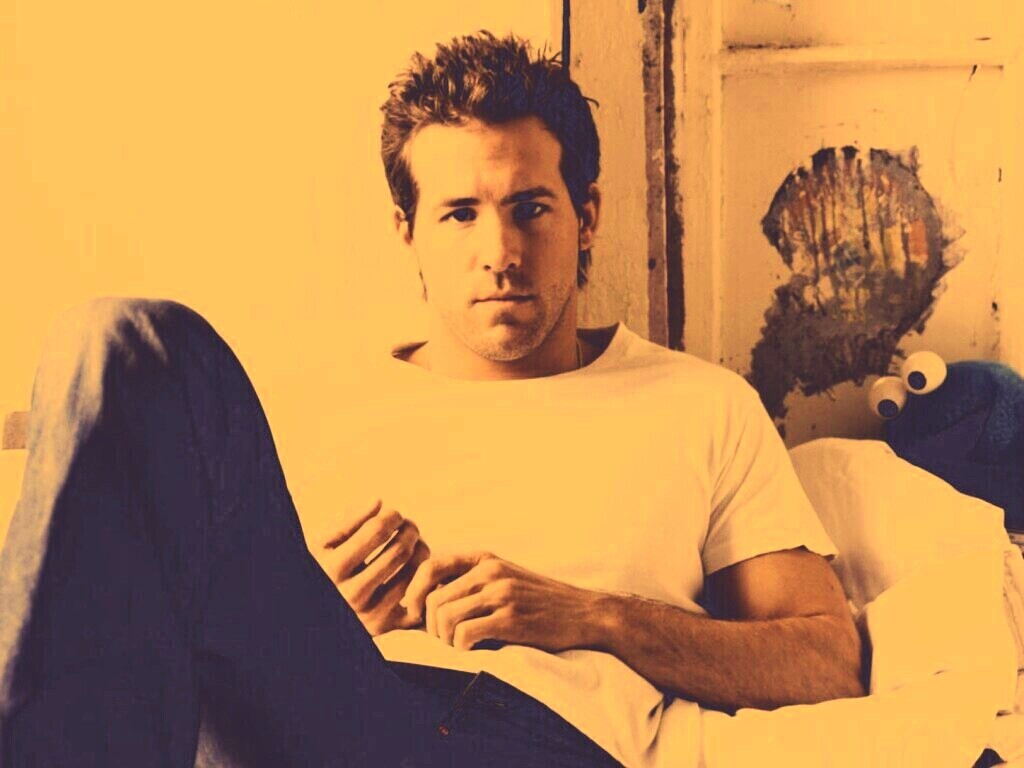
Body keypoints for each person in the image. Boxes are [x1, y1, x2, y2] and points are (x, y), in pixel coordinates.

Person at [0, 31, 864, 768]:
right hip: (314, 712)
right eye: (459, 215)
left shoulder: (700, 403)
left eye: (531, 208)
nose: (501, 252)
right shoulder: (300, 412)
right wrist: (323, 620)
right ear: (406, 231)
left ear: (588, 216)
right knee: (123, 342)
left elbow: (826, 660)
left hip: (528, 736)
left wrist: (590, 616)